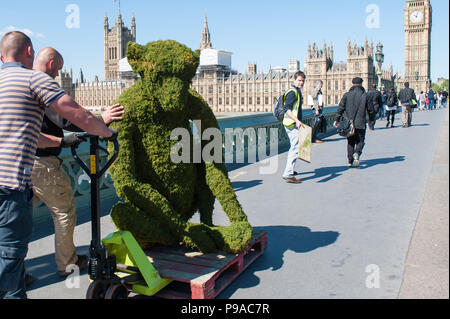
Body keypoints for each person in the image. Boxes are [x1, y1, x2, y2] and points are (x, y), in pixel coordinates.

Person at [0, 31, 115, 299]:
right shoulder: (33, 80)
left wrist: (59, 143)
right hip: (12, 182)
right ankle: (59, 267)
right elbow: (75, 113)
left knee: (8, 249)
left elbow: (26, 132)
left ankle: (12, 274)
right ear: (29, 51)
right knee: (15, 247)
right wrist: (104, 130)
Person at [30, 47, 124, 279]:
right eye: (58, 69)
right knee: (64, 211)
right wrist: (102, 124)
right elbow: (68, 119)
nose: (57, 75)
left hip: (17, 162)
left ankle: (9, 273)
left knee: (19, 219)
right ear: (51, 64)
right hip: (42, 163)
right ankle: (67, 264)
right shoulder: (42, 84)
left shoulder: (21, 81)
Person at [333, 77, 374, 168]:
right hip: (360, 123)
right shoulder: (366, 95)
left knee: (350, 142)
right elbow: (371, 109)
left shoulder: (347, 95)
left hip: (348, 123)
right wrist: (371, 119)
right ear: (361, 84)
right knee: (360, 141)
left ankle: (349, 161)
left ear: (352, 84)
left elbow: (341, 108)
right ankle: (357, 153)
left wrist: (337, 119)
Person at [281, 71, 305, 184]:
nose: (301, 82)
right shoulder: (292, 92)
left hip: (292, 123)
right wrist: (297, 120)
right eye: (299, 80)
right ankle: (288, 174)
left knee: (294, 147)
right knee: (295, 148)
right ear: (294, 80)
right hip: (291, 123)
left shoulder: (297, 91)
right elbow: (287, 108)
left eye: (303, 81)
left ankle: (290, 169)